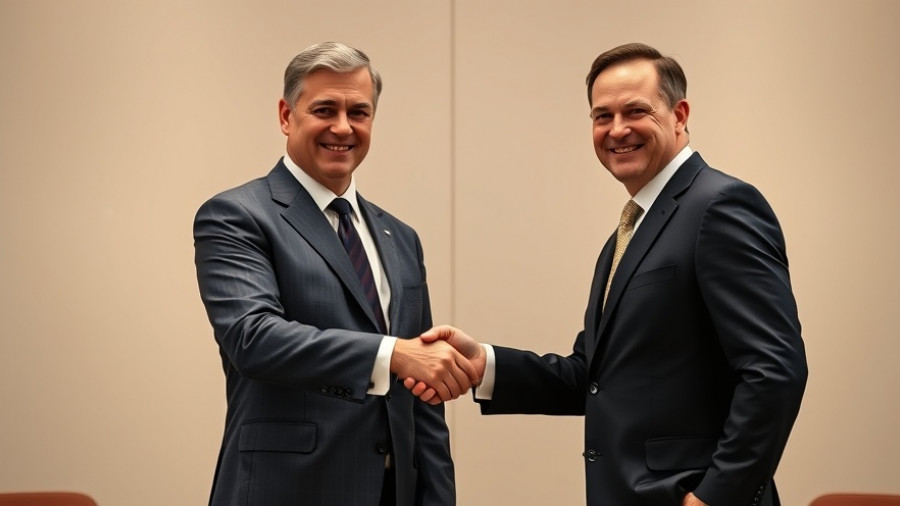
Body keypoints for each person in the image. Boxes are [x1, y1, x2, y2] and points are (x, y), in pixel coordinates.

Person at [406, 42, 808, 506]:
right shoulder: (630, 230)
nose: (617, 130)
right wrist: (485, 366)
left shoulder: (720, 207)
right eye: (602, 116)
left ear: (679, 115)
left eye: (635, 111)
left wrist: (715, 497)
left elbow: (775, 370)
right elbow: (594, 376)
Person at [194, 42, 477, 506]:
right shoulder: (236, 215)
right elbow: (253, 337)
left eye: (359, 112)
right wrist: (391, 355)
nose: (343, 127)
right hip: (285, 489)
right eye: (325, 109)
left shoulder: (400, 237)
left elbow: (423, 397)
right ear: (287, 116)